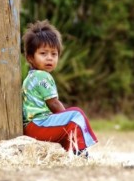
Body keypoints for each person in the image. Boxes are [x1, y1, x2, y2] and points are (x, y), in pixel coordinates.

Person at [22, 20, 98, 157]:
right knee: (76, 114)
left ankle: (72, 151)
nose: (49, 58)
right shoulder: (42, 77)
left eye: (54, 54)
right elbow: (54, 103)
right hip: (37, 126)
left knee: (69, 119)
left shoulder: (31, 76)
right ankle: (80, 152)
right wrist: (65, 117)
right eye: (43, 54)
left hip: (32, 127)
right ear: (30, 58)